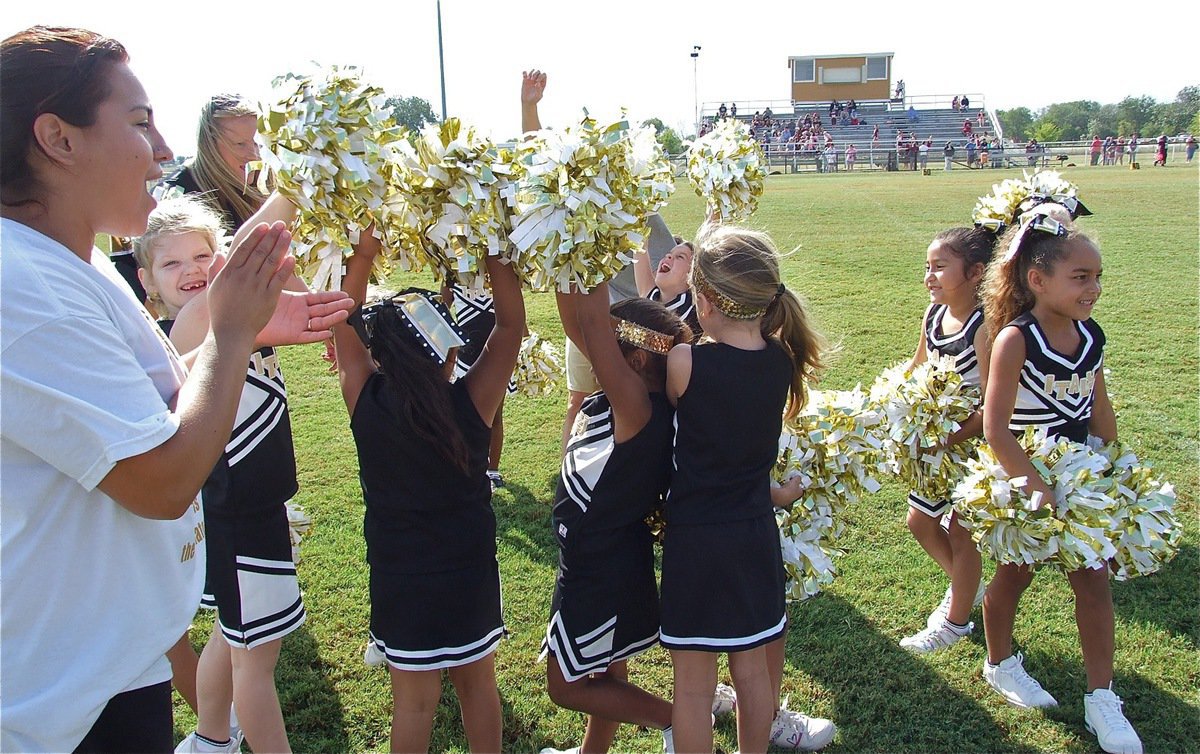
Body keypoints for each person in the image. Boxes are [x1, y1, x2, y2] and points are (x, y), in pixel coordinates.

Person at [0, 26, 351, 752]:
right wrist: (226, 335)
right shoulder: (24, 290)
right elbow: (161, 479)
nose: (164, 150)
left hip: (104, 669)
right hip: (61, 706)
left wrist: (247, 333)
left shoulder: (71, 262)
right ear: (57, 139)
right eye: (139, 122)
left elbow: (145, 414)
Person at [333, 228, 523, 753]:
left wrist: (365, 252)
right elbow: (511, 327)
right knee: (477, 687)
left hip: (399, 573)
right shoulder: (473, 401)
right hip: (467, 568)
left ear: (383, 353)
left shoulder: (362, 395)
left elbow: (346, 323)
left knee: (414, 704)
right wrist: (491, 244)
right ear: (447, 352)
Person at [661, 225, 833, 754]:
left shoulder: (685, 362)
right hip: (754, 536)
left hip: (694, 541)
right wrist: (778, 494)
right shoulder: (782, 360)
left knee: (691, 688)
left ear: (705, 301)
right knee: (754, 676)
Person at [979, 208, 1142, 754]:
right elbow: (995, 429)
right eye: (1081, 277)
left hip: (1080, 475)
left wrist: (1115, 471)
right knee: (1015, 574)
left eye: (1098, 277)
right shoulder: (1014, 340)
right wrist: (1038, 489)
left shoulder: (1090, 334)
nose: (1093, 288)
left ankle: (1101, 697)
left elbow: (1099, 408)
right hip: (1024, 473)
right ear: (1038, 279)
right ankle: (999, 662)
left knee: (1092, 582)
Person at [540, 284, 692, 754]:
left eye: (608, 346)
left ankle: (679, 724)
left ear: (637, 361)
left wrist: (589, 225)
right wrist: (566, 261)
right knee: (604, 668)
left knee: (565, 686)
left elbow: (590, 326)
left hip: (599, 568)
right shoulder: (631, 396)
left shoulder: (638, 410)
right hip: (605, 557)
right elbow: (580, 325)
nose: (594, 351)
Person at [898, 228, 995, 653]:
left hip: (973, 444)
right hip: (937, 445)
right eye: (927, 267)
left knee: (961, 529)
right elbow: (918, 363)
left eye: (940, 267)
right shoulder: (933, 314)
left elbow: (994, 401)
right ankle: (966, 587)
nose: (930, 277)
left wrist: (952, 436)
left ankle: (955, 622)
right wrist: (887, 400)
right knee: (919, 522)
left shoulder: (985, 326)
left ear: (975, 273)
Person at [166, 94, 267, 233]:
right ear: (210, 146)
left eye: (257, 144)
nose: (254, 155)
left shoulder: (266, 187)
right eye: (239, 144)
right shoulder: (179, 197)